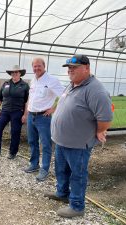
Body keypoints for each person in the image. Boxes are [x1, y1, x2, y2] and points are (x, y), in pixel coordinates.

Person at [45, 54, 113, 218]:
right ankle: (62, 193)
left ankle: (77, 206)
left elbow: (105, 119)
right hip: (61, 141)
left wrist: (99, 131)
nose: (70, 71)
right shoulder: (72, 85)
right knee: (61, 170)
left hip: (78, 144)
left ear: (87, 68)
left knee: (77, 175)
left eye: (74, 68)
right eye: (69, 68)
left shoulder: (96, 90)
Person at [24, 58, 65, 181]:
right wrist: (26, 113)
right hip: (32, 115)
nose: (36, 68)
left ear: (44, 66)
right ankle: (34, 164)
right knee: (32, 141)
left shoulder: (52, 80)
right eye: (34, 66)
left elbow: (65, 96)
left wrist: (53, 109)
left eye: (39, 66)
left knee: (46, 144)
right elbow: (30, 99)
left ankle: (44, 169)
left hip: (43, 117)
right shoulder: (33, 80)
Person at [0, 65, 29, 159]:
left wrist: (25, 114)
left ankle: (13, 152)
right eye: (13, 72)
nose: (14, 74)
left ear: (20, 74)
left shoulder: (24, 85)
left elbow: (27, 101)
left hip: (17, 111)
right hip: (5, 111)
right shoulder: (5, 83)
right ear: (11, 74)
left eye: (16, 72)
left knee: (15, 132)